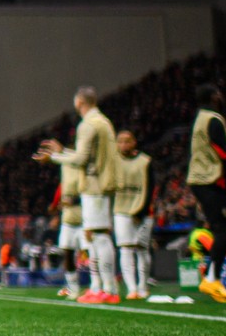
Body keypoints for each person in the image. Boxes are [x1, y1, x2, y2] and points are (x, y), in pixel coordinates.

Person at [37, 87, 120, 305]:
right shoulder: (104, 122)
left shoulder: (87, 124)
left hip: (94, 185)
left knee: (98, 236)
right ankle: (101, 287)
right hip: (103, 183)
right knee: (97, 236)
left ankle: (107, 289)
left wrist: (54, 157)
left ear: (79, 102)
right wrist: (62, 152)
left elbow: (81, 159)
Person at [187, 82, 226, 303]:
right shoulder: (213, 119)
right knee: (223, 230)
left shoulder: (200, 118)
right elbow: (223, 150)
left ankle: (211, 278)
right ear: (214, 96)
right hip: (208, 181)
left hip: (204, 180)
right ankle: (212, 278)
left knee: (223, 228)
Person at [111, 130, 154, 300]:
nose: (123, 145)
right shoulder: (113, 161)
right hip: (121, 210)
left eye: (127, 141)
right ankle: (132, 288)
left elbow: (150, 188)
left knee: (142, 249)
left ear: (134, 142)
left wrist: (142, 210)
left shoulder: (145, 161)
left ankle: (143, 286)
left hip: (143, 211)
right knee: (126, 248)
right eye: (120, 141)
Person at [51, 160, 87, 299]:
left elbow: (90, 194)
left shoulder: (84, 174)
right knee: (67, 252)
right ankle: (73, 287)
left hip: (84, 220)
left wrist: (74, 201)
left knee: (91, 253)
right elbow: (57, 200)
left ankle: (99, 285)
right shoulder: (65, 181)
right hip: (68, 221)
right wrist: (55, 209)